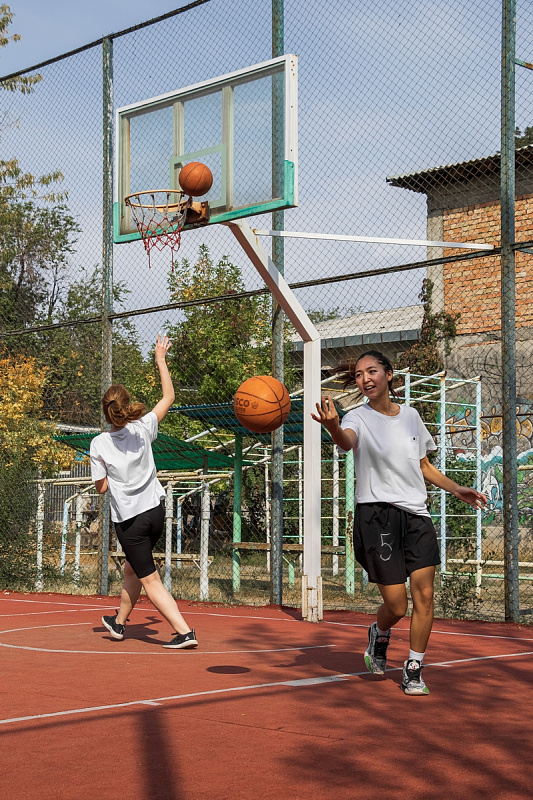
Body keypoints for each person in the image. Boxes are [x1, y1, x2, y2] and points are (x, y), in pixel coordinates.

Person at [311, 350, 486, 695]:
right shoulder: (357, 417)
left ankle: (414, 667)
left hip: (417, 515)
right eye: (359, 374)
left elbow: (423, 466)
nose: (365, 379)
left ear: (389, 374)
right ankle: (379, 632)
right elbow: (346, 441)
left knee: (425, 595)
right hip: (377, 516)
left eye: (372, 371)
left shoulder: (411, 416)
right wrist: (333, 426)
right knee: (397, 606)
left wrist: (457, 489)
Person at [90, 333, 198, 650]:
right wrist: (160, 359)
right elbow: (168, 397)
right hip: (155, 513)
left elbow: (101, 488)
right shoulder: (143, 427)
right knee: (132, 569)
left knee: (149, 579)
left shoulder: (99, 444)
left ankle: (184, 632)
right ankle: (119, 623)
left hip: (131, 521)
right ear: (125, 406)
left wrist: (113, 477)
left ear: (106, 412)